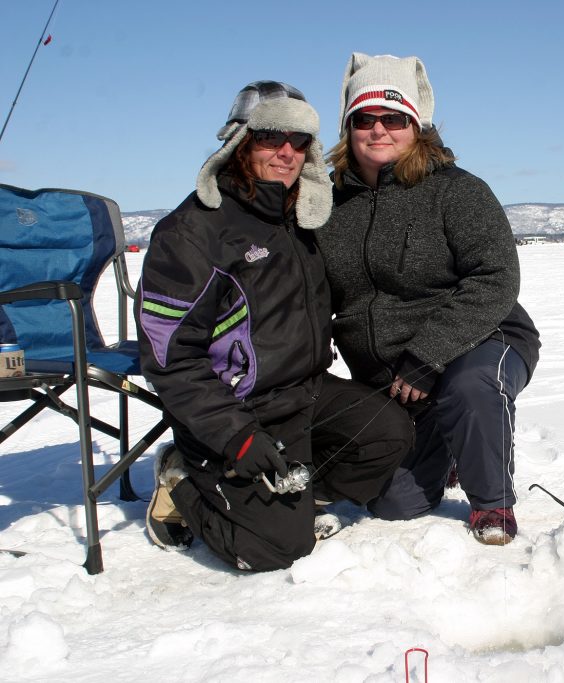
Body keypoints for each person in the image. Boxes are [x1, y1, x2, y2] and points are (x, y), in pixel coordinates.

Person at [135, 81, 414, 572]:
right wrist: (236, 435)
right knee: (276, 551)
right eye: (269, 137)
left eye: (299, 140)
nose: (286, 152)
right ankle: (183, 482)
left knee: (388, 433)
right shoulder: (193, 232)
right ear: (239, 141)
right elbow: (169, 359)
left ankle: (293, 500)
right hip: (238, 408)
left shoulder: (297, 220)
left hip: (304, 392)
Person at [316, 54, 541, 546]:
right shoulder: (327, 204)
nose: (379, 130)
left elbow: (496, 278)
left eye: (394, 119)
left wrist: (428, 355)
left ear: (416, 127)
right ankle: (447, 441)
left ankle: (492, 504)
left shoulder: (456, 191)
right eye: (365, 119)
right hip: (395, 376)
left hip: (483, 336)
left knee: (470, 386)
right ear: (348, 127)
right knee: (397, 502)